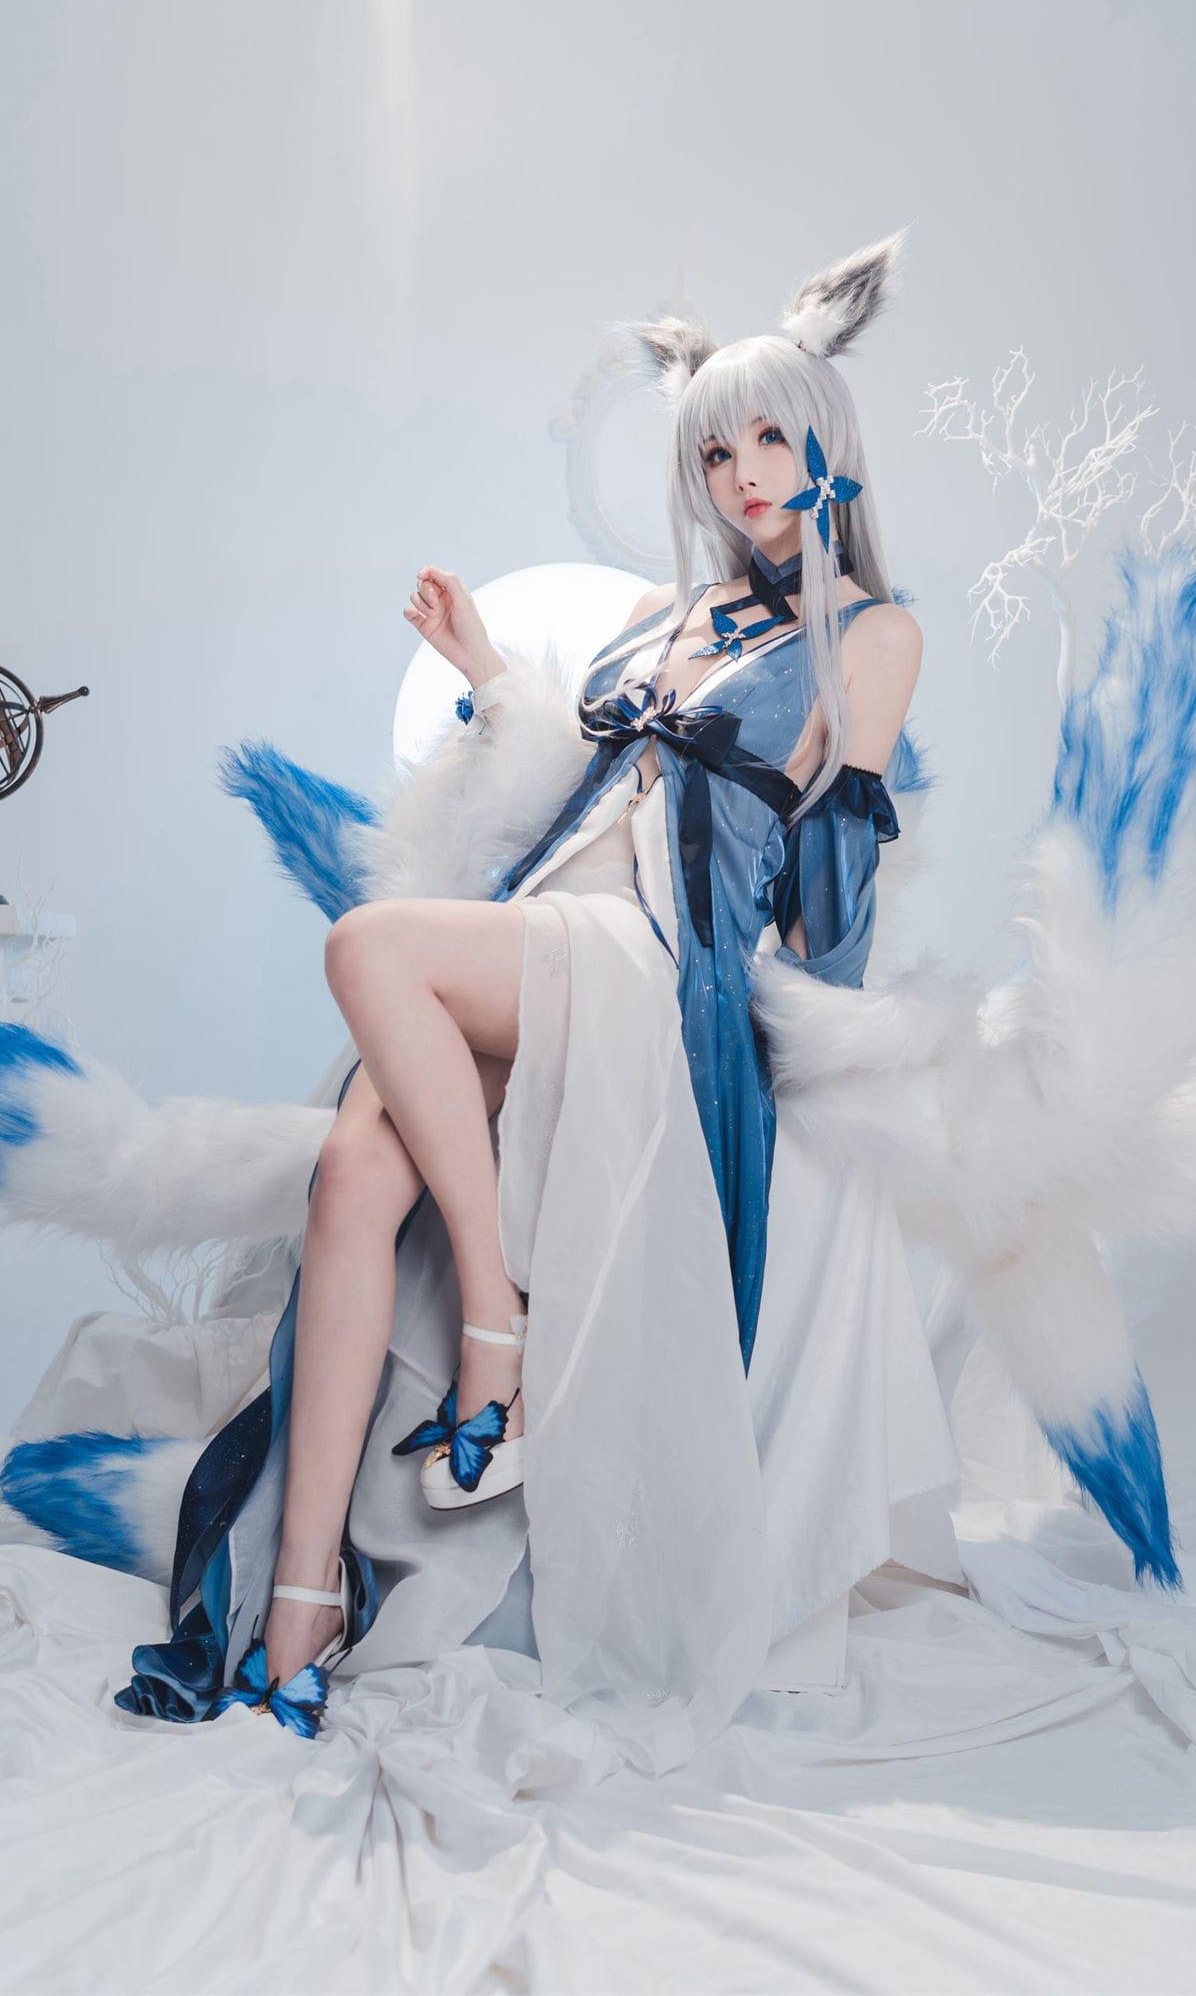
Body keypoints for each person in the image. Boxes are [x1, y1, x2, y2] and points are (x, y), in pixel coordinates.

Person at [103, 233, 961, 1759]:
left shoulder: (871, 634)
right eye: (717, 452)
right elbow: (577, 786)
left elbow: (827, 890)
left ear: (829, 441)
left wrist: (806, 1015)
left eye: (772, 438)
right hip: (545, 926)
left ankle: (492, 1317)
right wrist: (486, 669)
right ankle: (300, 1609)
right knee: (352, 1173)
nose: (743, 476)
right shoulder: (660, 617)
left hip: (655, 964)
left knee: (366, 948)